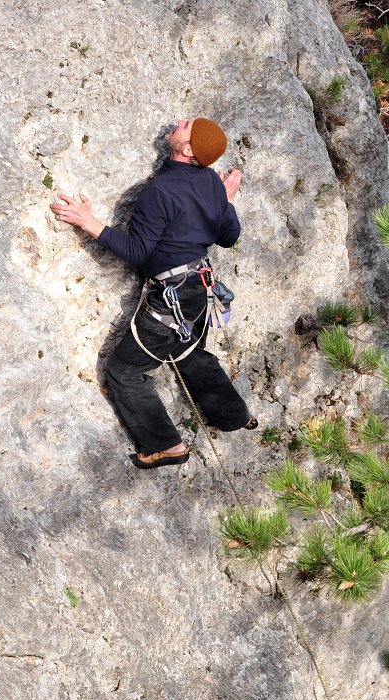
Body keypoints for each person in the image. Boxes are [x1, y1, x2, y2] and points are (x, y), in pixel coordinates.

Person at [51, 117, 254, 469]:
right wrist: (226, 201)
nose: (176, 123)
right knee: (189, 352)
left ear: (188, 149)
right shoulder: (210, 182)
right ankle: (233, 415)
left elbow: (138, 252)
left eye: (184, 125)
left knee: (124, 372)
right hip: (198, 291)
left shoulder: (160, 191)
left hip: (173, 296)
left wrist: (89, 222)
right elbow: (228, 236)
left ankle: (165, 445)